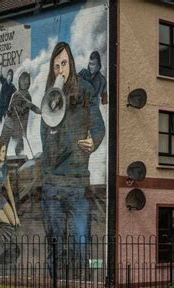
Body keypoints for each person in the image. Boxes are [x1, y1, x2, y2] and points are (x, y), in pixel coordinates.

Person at [41, 42, 105, 274]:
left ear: (72, 64)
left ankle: (83, 284)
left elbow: (98, 124)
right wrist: (54, 126)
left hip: (78, 183)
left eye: (64, 63)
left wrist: (94, 141)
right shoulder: (50, 98)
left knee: (81, 240)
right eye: (56, 66)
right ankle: (55, 287)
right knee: (55, 241)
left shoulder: (86, 90)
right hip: (52, 184)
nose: (61, 70)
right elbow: (46, 146)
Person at [0, 72, 41, 156]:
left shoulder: (27, 96)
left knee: (19, 148)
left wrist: (41, 111)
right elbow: (11, 107)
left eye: (26, 81)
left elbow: (31, 107)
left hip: (18, 126)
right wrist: (11, 110)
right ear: (19, 81)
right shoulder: (16, 93)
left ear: (28, 83)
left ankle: (20, 165)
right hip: (9, 123)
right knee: (2, 146)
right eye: (23, 80)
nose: (24, 82)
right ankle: (0, 165)